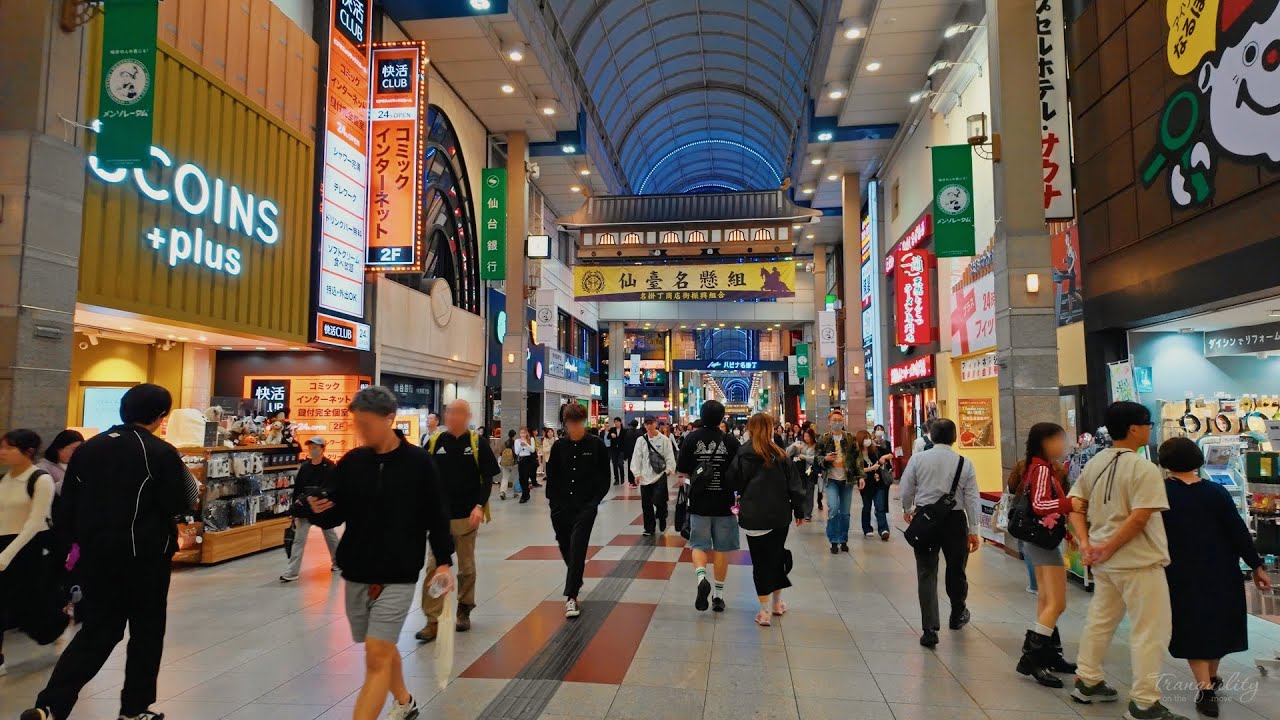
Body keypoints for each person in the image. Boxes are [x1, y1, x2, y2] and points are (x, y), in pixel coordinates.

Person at [22, 384, 199, 720]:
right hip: (146, 559)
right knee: (146, 633)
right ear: (162, 416)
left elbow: (67, 508)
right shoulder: (159, 451)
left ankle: (50, 705)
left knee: (98, 630)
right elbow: (182, 500)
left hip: (97, 558)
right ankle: (134, 710)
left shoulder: (88, 450)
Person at [306, 386, 455, 720]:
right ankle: (404, 701)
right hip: (357, 570)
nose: (361, 431)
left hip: (399, 572)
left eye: (367, 425)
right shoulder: (353, 462)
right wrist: (317, 509)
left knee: (375, 657)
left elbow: (437, 515)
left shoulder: (419, 463)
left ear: (390, 419)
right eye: (357, 424)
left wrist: (444, 562)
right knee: (381, 648)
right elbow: (334, 511)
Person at [1068, 401, 1184, 720]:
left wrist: (1088, 543)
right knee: (1151, 631)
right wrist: (1104, 547)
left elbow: (1074, 504)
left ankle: (1087, 679)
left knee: (1101, 621)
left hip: (1107, 565)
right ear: (1135, 428)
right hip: (1139, 563)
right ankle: (1145, 702)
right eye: (1148, 424)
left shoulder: (1096, 462)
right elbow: (1139, 517)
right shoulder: (1143, 467)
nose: (1150, 429)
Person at [1159, 437, 1270, 718]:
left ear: (1165, 462)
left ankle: (1205, 688)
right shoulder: (1216, 492)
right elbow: (1238, 533)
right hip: (1221, 568)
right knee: (1219, 622)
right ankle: (1211, 676)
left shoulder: (1161, 494)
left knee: (1191, 624)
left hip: (1180, 571)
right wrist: (1256, 566)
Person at [417, 398, 499, 643]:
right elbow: (424, 477)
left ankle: (464, 608)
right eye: (449, 412)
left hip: (467, 516)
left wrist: (478, 506)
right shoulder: (434, 442)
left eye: (458, 413)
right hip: (439, 519)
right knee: (434, 568)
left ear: (467, 416)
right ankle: (432, 619)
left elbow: (487, 478)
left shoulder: (476, 443)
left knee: (466, 567)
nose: (453, 416)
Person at [900, 418, 980, 649]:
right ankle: (957, 614)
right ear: (954, 437)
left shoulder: (918, 459)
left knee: (926, 571)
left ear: (931, 436)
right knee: (956, 569)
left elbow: (906, 487)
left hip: (925, 519)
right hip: (955, 521)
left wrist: (907, 509)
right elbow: (973, 497)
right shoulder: (964, 463)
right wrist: (974, 529)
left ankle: (929, 629)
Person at [1008, 423, 1076, 688]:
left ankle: (1050, 653)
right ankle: (1033, 657)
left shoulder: (1036, 466)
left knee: (1047, 600)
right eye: (1059, 439)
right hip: (1042, 541)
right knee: (1057, 603)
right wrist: (1071, 504)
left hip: (1038, 541)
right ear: (1045, 442)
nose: (1064, 443)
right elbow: (1039, 504)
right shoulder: (1041, 469)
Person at [726, 414, 806, 627]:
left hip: (754, 516)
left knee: (760, 562)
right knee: (776, 556)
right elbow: (795, 487)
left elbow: (732, 481)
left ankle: (764, 611)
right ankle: (777, 603)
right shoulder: (780, 454)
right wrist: (799, 511)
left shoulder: (743, 453)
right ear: (771, 429)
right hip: (780, 516)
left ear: (750, 429)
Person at [545, 402, 611, 618]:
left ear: (583, 422)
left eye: (577, 422)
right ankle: (576, 576)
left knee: (578, 547)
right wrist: (553, 505)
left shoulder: (596, 445)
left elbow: (604, 478)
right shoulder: (558, 446)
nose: (573, 427)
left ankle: (571, 597)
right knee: (566, 546)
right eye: (569, 423)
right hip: (561, 506)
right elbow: (552, 477)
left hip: (585, 507)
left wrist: (594, 503)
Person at [0, 429, 57, 677]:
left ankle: (55, 625)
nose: (2, 452)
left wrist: (6, 555)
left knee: (26, 603)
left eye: (9, 447)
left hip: (26, 548)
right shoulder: (6, 479)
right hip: (4, 544)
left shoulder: (40, 479)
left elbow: (34, 523)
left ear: (28, 451)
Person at [675, 400, 741, 613]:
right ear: (722, 417)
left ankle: (702, 578)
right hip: (725, 503)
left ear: (701, 417)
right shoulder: (731, 441)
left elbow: (682, 473)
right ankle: (719, 595)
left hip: (699, 502)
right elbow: (740, 472)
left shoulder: (691, 439)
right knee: (721, 549)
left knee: (698, 545)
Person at [280, 437, 340, 582]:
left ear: (322, 449)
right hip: (305, 509)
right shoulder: (305, 467)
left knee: (330, 537)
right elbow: (298, 489)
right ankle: (292, 572)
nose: (312, 450)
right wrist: (294, 509)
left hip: (323, 509)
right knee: (299, 540)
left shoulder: (330, 467)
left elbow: (333, 489)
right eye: (311, 447)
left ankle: (338, 562)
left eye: (315, 447)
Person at [816, 409, 860, 554]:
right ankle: (834, 539)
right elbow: (817, 457)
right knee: (834, 508)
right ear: (829, 422)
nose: (837, 423)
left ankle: (843, 539)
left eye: (840, 420)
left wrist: (860, 478)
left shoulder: (849, 438)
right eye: (834, 420)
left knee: (845, 513)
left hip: (847, 480)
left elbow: (857, 458)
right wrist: (825, 459)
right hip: (831, 479)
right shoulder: (824, 438)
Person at [630, 416, 677, 536]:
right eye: (647, 424)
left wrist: (668, 471)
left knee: (660, 501)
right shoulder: (640, 440)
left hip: (660, 475)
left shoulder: (664, 440)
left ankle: (662, 517)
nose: (649, 426)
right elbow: (636, 457)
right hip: (645, 477)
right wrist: (636, 473)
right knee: (646, 504)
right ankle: (649, 528)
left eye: (651, 423)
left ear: (656, 424)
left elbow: (669, 456)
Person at [856, 430, 892, 541]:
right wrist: (871, 468)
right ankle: (867, 529)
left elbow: (890, 454)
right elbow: (857, 469)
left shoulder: (875, 450)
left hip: (878, 482)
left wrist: (884, 458)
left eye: (868, 438)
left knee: (880, 506)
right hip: (865, 483)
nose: (867, 440)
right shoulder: (856, 454)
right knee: (866, 506)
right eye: (865, 438)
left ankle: (883, 529)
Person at [36, 430, 83, 494]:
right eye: (74, 449)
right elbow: (48, 491)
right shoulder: (42, 467)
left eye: (80, 449)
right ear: (60, 449)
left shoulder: (78, 465)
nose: (77, 453)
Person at [787, 428, 819, 520]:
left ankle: (808, 513)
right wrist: (794, 446)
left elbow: (815, 459)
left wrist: (804, 457)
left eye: (808, 436)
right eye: (804, 436)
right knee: (802, 492)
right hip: (799, 471)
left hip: (810, 472)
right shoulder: (800, 444)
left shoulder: (815, 446)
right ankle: (801, 511)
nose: (806, 438)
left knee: (809, 492)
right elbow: (788, 453)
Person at [514, 427, 538, 503]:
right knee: (522, 478)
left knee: (526, 477)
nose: (523, 434)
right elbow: (517, 452)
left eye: (524, 433)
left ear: (527, 433)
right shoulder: (517, 441)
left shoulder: (531, 439)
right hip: (521, 460)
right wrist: (521, 445)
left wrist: (526, 444)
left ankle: (524, 495)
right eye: (521, 433)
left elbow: (532, 450)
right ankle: (526, 493)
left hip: (529, 460)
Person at [606, 417, 626, 485]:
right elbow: (608, 437)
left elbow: (625, 440)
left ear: (620, 422)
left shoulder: (624, 430)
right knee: (614, 464)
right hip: (614, 449)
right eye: (615, 422)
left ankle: (622, 478)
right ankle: (616, 479)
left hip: (621, 450)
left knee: (620, 464)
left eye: (617, 422)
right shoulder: (612, 429)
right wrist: (611, 435)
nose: (616, 423)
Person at [622, 419, 641, 486]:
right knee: (637, 466)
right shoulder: (639, 433)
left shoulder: (627, 432)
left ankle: (631, 481)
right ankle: (637, 480)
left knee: (630, 466)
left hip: (630, 452)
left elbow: (625, 443)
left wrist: (625, 454)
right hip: (637, 452)